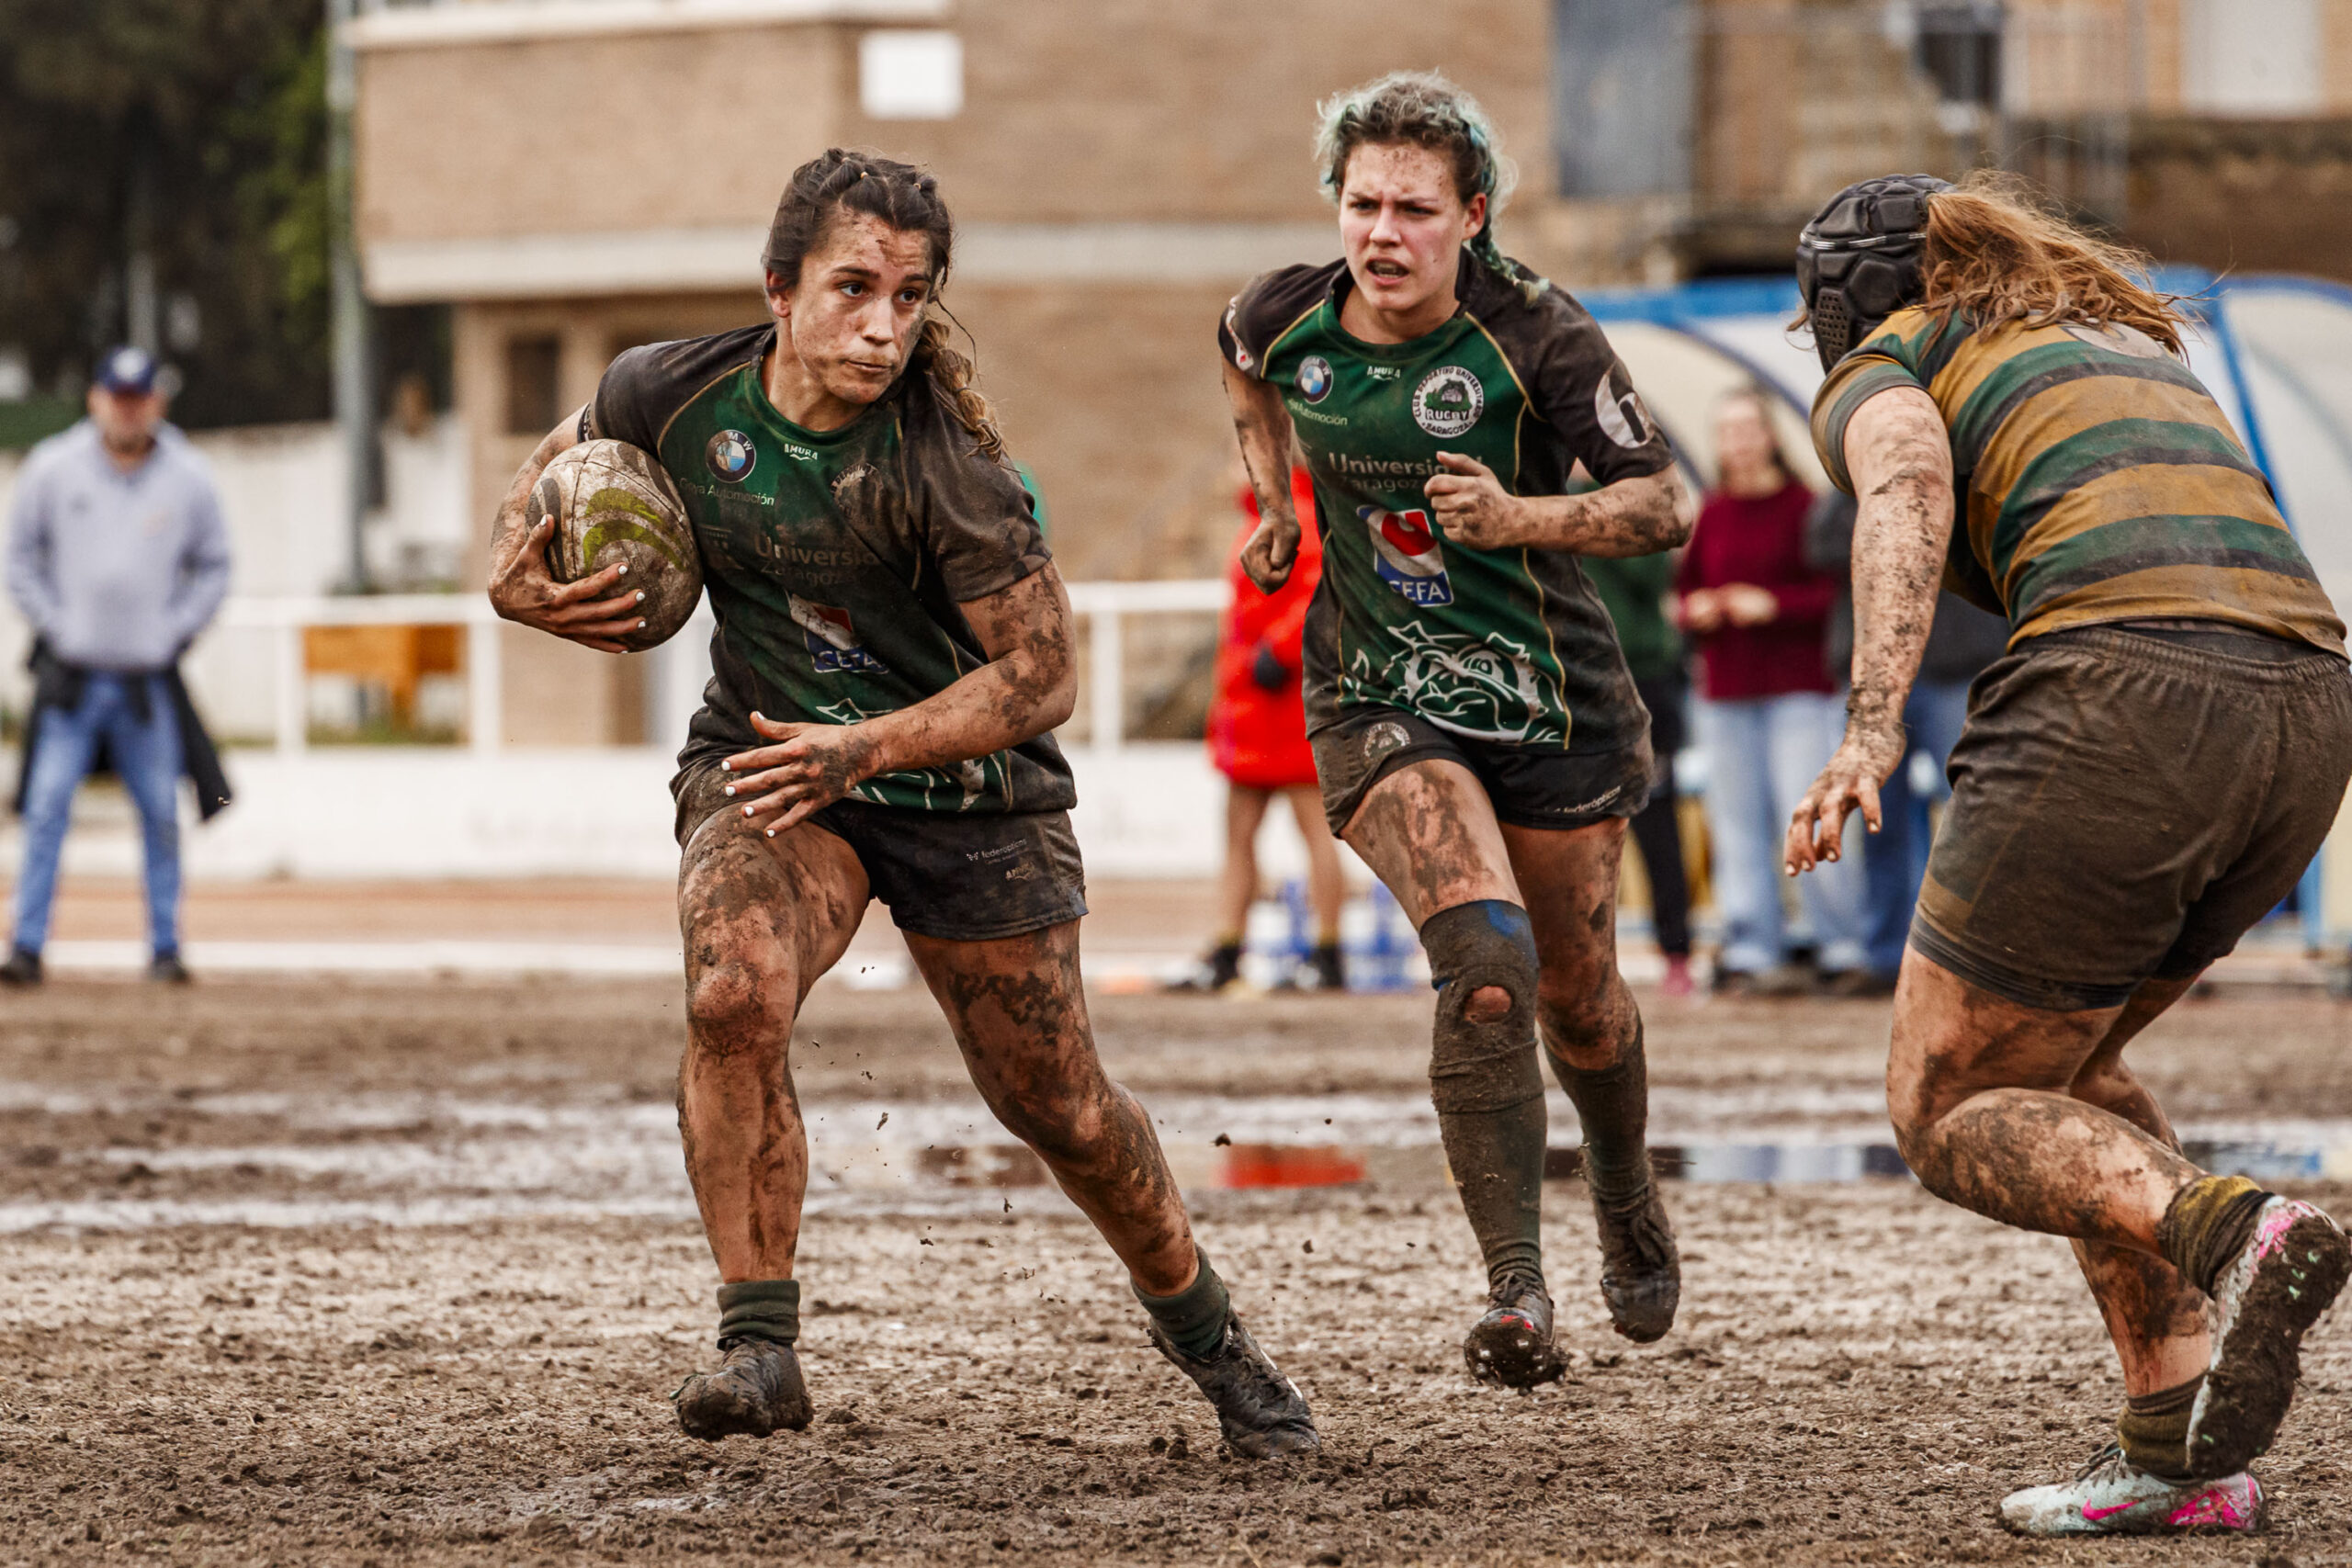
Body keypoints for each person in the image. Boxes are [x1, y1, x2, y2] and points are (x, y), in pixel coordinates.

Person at [487, 151, 1317, 1458]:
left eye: (912, 295)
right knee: (730, 988)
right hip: (771, 759)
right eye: (854, 288)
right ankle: (759, 1344)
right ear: (779, 288)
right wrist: (508, 572)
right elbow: (559, 462)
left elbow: (1043, 675)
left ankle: (1217, 1342)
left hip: (970, 790)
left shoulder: (950, 470)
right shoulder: (668, 390)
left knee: (1061, 1107)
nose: (884, 323)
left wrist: (863, 747)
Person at [1788, 171, 2352, 1537]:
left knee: (1947, 1099)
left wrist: (1868, 729)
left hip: (2123, 696)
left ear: (1842, 301)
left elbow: (1907, 485)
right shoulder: (2112, 341)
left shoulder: (1893, 355)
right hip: (2311, 704)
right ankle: (2177, 1455)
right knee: (2069, 1075)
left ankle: (2246, 1230)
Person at [1219, 71, 1688, 1387]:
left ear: (1470, 217)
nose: (1384, 232)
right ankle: (1518, 1291)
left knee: (1580, 1003)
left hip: (1551, 703)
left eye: (1415, 209)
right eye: (1363, 203)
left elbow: (1662, 504)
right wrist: (1277, 506)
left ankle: (1624, 1190)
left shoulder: (1537, 334)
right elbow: (1248, 372)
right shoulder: (1283, 314)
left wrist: (1525, 518)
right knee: (1485, 963)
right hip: (1377, 695)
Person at [3, 345, 233, 986]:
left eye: (140, 398)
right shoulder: (52, 468)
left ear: (155, 401)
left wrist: (175, 629)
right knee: (46, 806)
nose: (129, 410)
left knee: (160, 811)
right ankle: (26, 945)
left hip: (146, 683)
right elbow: (18, 558)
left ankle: (165, 946)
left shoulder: (189, 475)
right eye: (118, 397)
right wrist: (56, 622)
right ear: (96, 399)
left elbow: (216, 565)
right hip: (71, 680)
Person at [1675, 390, 1867, 994]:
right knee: (1736, 826)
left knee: (1808, 815)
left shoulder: (1803, 506)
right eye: (1726, 430)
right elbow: (1680, 594)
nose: (1737, 440)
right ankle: (1754, 948)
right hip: (1727, 690)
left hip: (1799, 689)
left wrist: (1772, 606)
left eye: (1747, 428)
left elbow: (1836, 595)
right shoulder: (1712, 510)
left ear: (1769, 436)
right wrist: (1697, 609)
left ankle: (1842, 945)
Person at [1804, 489, 2006, 988]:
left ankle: (1986, 956)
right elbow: (1820, 548)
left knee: (1979, 818)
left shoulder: (1976, 477)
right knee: (1877, 822)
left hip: (1960, 671)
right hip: (1875, 678)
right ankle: (1885, 957)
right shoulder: (1855, 478)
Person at [1180, 466, 1345, 993]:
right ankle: (1229, 949)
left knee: (1315, 831)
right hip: (1251, 709)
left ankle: (1328, 950)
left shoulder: (1298, 517)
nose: (1234, 464)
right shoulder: (1262, 517)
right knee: (1239, 834)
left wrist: (1278, 648)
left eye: (1240, 451)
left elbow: (1322, 595)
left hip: (1286, 705)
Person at [1584, 545, 1695, 997]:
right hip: (1572, 682)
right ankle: (1583, 959)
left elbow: (1654, 577)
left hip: (1643, 680)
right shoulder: (1532, 495)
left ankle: (1676, 952)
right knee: (1572, 828)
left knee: (1656, 825)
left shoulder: (1633, 495)